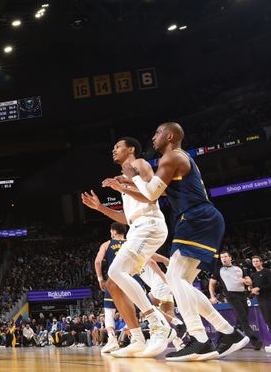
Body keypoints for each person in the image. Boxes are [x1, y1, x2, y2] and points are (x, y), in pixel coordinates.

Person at [120, 122, 248, 361]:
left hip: (197, 218)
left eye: (158, 133)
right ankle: (229, 333)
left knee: (174, 279)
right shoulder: (174, 160)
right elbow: (156, 192)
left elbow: (151, 194)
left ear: (170, 136)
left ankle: (200, 339)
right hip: (200, 219)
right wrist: (127, 186)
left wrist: (133, 177)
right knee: (182, 285)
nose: (154, 137)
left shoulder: (171, 157)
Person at [82, 136, 173, 358]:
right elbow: (126, 217)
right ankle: (138, 339)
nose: (113, 150)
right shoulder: (124, 177)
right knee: (113, 284)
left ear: (131, 149)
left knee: (115, 271)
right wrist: (101, 208)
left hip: (150, 225)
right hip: (136, 227)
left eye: (118, 147)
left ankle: (158, 323)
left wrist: (123, 185)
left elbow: (153, 195)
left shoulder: (139, 164)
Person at [209, 251, 262, 350]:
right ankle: (255, 341)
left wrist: (245, 281)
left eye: (225, 256)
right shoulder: (219, 270)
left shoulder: (239, 268)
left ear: (230, 258)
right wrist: (212, 296)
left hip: (242, 295)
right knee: (243, 317)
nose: (223, 259)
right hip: (231, 295)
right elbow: (211, 283)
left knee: (241, 318)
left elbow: (249, 281)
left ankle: (235, 340)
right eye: (221, 257)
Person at [92, 221, 131, 355]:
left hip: (114, 279)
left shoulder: (107, 244)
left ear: (113, 231)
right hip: (130, 278)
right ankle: (135, 338)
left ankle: (112, 339)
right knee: (132, 309)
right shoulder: (130, 243)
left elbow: (97, 262)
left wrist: (100, 279)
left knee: (109, 311)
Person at [245, 255, 271, 353]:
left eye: (257, 261)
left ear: (261, 262)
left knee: (270, 320)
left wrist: (259, 288)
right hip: (260, 300)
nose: (255, 263)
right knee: (267, 321)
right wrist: (251, 289)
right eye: (254, 261)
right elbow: (256, 287)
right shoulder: (254, 275)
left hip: (268, 299)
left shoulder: (267, 272)